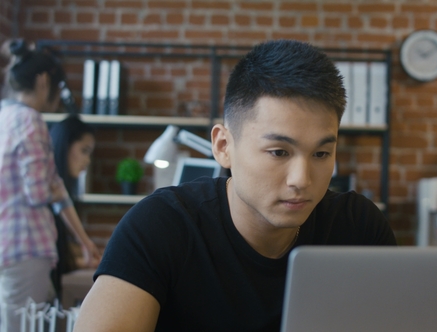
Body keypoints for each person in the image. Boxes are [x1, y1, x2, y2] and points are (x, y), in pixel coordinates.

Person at [74, 39, 397, 332]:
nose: (301, 179)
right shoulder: (162, 225)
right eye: (279, 152)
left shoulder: (358, 228)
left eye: (321, 153)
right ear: (224, 146)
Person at [0, 39, 101, 331]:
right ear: (44, 81)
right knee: (23, 326)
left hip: (6, 245)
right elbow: (40, 191)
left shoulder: (3, 117)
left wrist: (83, 240)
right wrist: (51, 189)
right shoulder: (30, 121)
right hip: (26, 247)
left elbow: (55, 188)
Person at [49, 114, 97, 300]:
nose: (88, 160)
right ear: (64, 146)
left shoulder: (63, 194)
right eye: (84, 151)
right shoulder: (50, 194)